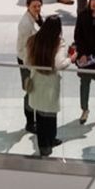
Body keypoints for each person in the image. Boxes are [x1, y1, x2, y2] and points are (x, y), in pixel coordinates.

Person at [24, 13, 72, 157]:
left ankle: (44, 144)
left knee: (40, 115)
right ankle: (49, 142)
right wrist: (70, 58)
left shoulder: (33, 40)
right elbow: (59, 64)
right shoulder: (58, 43)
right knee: (50, 115)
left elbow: (26, 62)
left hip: (37, 82)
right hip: (50, 84)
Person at [17, 0, 44, 132]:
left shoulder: (37, 17)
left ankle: (34, 118)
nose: (38, 9)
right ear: (28, 6)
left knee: (34, 90)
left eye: (39, 6)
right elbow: (26, 48)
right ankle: (29, 122)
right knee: (29, 90)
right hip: (26, 60)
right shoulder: (25, 24)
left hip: (33, 59)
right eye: (34, 6)